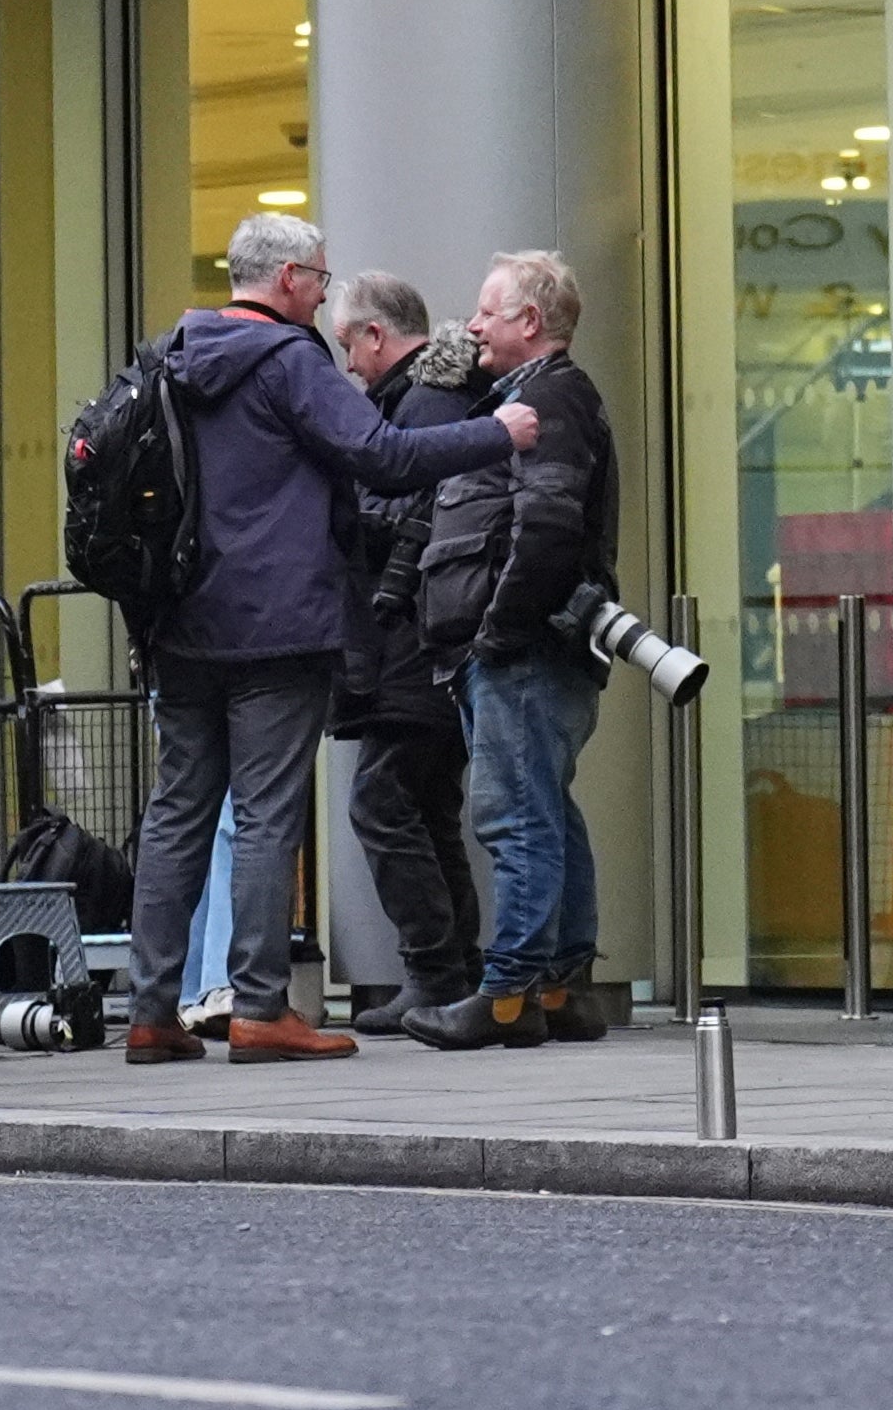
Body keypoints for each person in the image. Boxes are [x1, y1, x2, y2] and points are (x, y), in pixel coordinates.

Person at [129, 214, 531, 1065]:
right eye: (318, 274)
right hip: (275, 624)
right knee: (269, 815)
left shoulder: (172, 356)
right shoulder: (286, 360)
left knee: (177, 816)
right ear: (284, 280)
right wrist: (497, 432)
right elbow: (378, 454)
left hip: (180, 621)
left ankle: (150, 1010)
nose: (323, 288)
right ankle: (260, 1007)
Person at [401, 250, 605, 1054]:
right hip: (540, 644)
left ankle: (509, 992)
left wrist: (497, 630)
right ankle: (562, 985)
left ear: (531, 321)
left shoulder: (548, 396)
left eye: (489, 310)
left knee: (513, 813)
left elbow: (549, 525)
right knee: (546, 805)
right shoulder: (536, 395)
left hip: (524, 646)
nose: (474, 323)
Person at [329, 271, 489, 1031]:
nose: (348, 365)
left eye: (348, 345)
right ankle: (453, 971)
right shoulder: (433, 398)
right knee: (427, 805)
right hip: (432, 635)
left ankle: (436, 972)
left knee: (383, 801)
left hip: (414, 637)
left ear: (375, 335)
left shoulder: (418, 407)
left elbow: (400, 519)